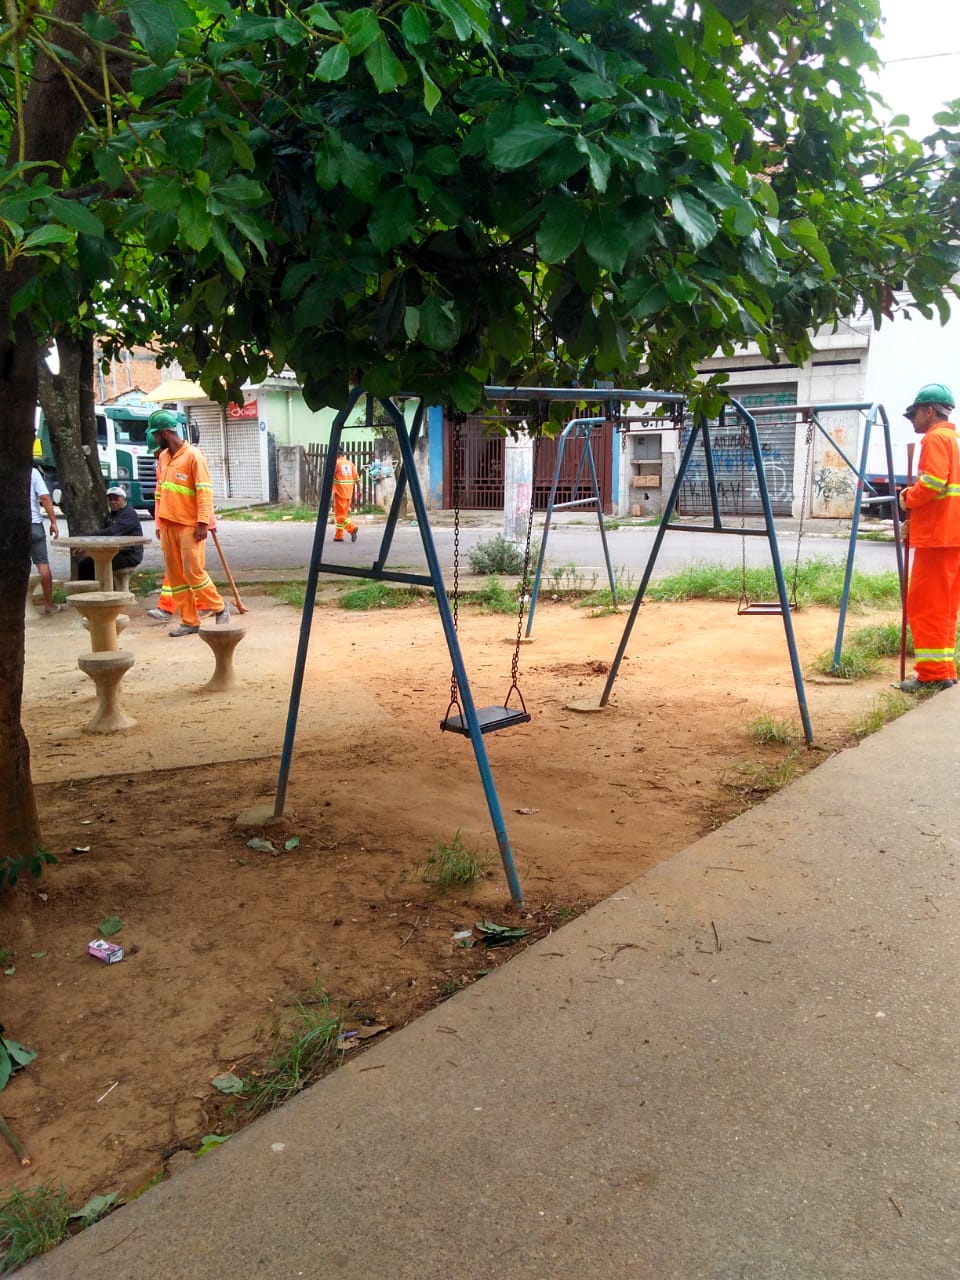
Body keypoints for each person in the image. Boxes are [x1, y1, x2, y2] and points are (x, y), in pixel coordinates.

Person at [894, 381, 960, 694]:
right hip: (952, 538)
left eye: (915, 414)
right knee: (945, 607)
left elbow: (933, 483)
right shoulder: (955, 439)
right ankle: (945, 670)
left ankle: (932, 674)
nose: (913, 420)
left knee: (925, 606)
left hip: (938, 538)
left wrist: (909, 498)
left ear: (929, 411)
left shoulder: (935, 439)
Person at [146, 409, 229, 637]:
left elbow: (204, 492)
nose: (153, 439)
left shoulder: (194, 456)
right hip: (168, 525)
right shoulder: (163, 458)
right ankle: (189, 621)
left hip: (189, 525)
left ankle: (220, 608)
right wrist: (158, 522)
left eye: (154, 435)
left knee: (193, 571)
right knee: (175, 576)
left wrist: (203, 522)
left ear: (164, 433)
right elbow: (160, 492)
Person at [73, 486, 144, 580]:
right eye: (110, 500)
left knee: (93, 565)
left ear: (123, 499)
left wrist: (89, 537)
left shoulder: (129, 514)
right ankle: (89, 592)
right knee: (84, 564)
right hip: (115, 552)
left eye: (116, 499)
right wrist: (85, 546)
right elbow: (104, 536)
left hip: (130, 554)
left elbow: (111, 532)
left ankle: (99, 591)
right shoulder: (112, 514)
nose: (113, 502)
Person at [29, 467, 61, 614]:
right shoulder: (32, 472)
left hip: (10, 527)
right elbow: (45, 498)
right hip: (34, 525)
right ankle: (48, 605)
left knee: (11, 567)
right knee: (43, 565)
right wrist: (53, 522)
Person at [332, 445, 360, 543]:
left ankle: (352, 528)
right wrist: (359, 490)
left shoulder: (336, 463)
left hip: (340, 493)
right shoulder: (350, 463)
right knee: (342, 515)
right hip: (349, 493)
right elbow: (357, 478)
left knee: (339, 516)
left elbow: (329, 477)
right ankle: (338, 536)